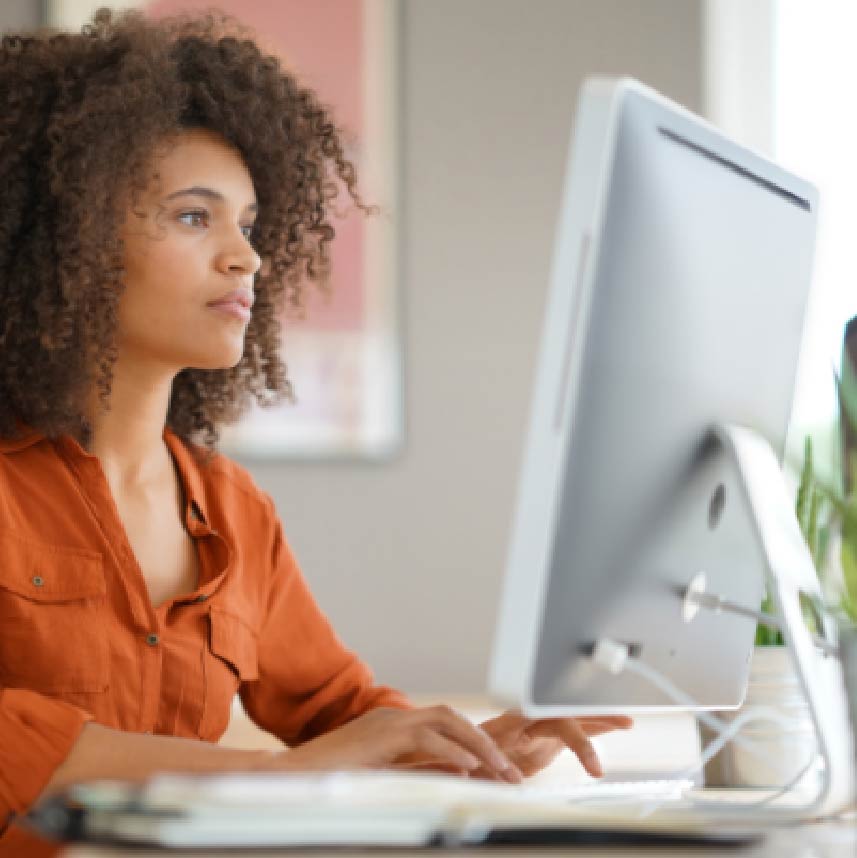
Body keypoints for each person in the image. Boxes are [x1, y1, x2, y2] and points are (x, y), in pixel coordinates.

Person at [0, 7, 631, 853]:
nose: (246, 258)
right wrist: (288, 777)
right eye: (196, 217)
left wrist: (468, 753)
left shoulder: (231, 513)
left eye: (251, 226)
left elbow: (344, 714)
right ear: (68, 233)